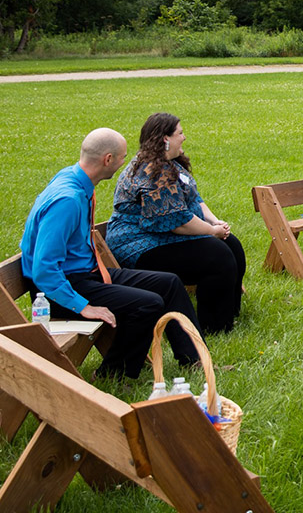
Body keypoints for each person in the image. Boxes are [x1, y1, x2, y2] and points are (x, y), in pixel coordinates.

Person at [21, 129, 200, 379]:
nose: (123, 163)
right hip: (61, 289)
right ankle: (114, 375)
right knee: (148, 304)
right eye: (121, 158)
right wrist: (83, 306)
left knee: (168, 283)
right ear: (107, 159)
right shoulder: (67, 199)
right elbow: (44, 270)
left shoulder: (76, 179)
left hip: (87, 274)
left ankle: (195, 360)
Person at [106, 113, 244, 334]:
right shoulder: (152, 171)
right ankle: (213, 327)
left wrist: (214, 221)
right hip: (139, 244)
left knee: (232, 246)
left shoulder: (170, 164)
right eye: (180, 133)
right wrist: (211, 232)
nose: (184, 137)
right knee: (217, 255)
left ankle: (229, 313)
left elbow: (194, 199)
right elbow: (176, 222)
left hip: (161, 235)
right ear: (165, 139)